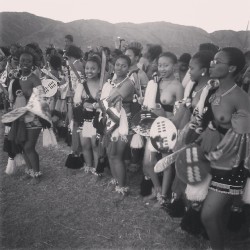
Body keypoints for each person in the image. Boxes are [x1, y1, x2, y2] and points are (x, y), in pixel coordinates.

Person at [198, 47, 250, 250]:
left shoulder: (241, 98)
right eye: (212, 60)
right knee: (213, 215)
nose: (212, 64)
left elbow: (244, 139)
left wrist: (214, 145)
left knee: (209, 215)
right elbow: (204, 122)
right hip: (209, 157)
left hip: (230, 165)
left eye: (217, 61)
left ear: (232, 68)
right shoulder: (213, 91)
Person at [142, 52, 184, 203]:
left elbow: (180, 114)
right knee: (148, 162)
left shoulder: (178, 87)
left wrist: (165, 118)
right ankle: (157, 188)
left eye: (166, 65)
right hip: (152, 126)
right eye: (160, 65)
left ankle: (163, 195)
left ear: (175, 66)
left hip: (167, 128)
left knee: (165, 163)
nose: (162, 68)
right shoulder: (155, 82)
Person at [99, 54, 135, 196]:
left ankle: (122, 187)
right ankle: (116, 180)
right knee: (110, 153)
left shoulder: (128, 83)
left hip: (122, 123)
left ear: (128, 68)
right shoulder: (112, 81)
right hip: (110, 119)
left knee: (116, 155)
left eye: (123, 65)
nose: (119, 68)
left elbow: (111, 99)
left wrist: (100, 97)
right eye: (117, 64)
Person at [73, 56, 102, 173]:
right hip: (84, 119)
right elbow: (76, 101)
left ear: (99, 70)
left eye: (93, 68)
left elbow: (106, 103)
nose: (89, 71)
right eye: (87, 68)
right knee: (85, 144)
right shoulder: (81, 84)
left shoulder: (103, 84)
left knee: (95, 145)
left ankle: (97, 168)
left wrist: (95, 105)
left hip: (96, 120)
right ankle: (88, 165)